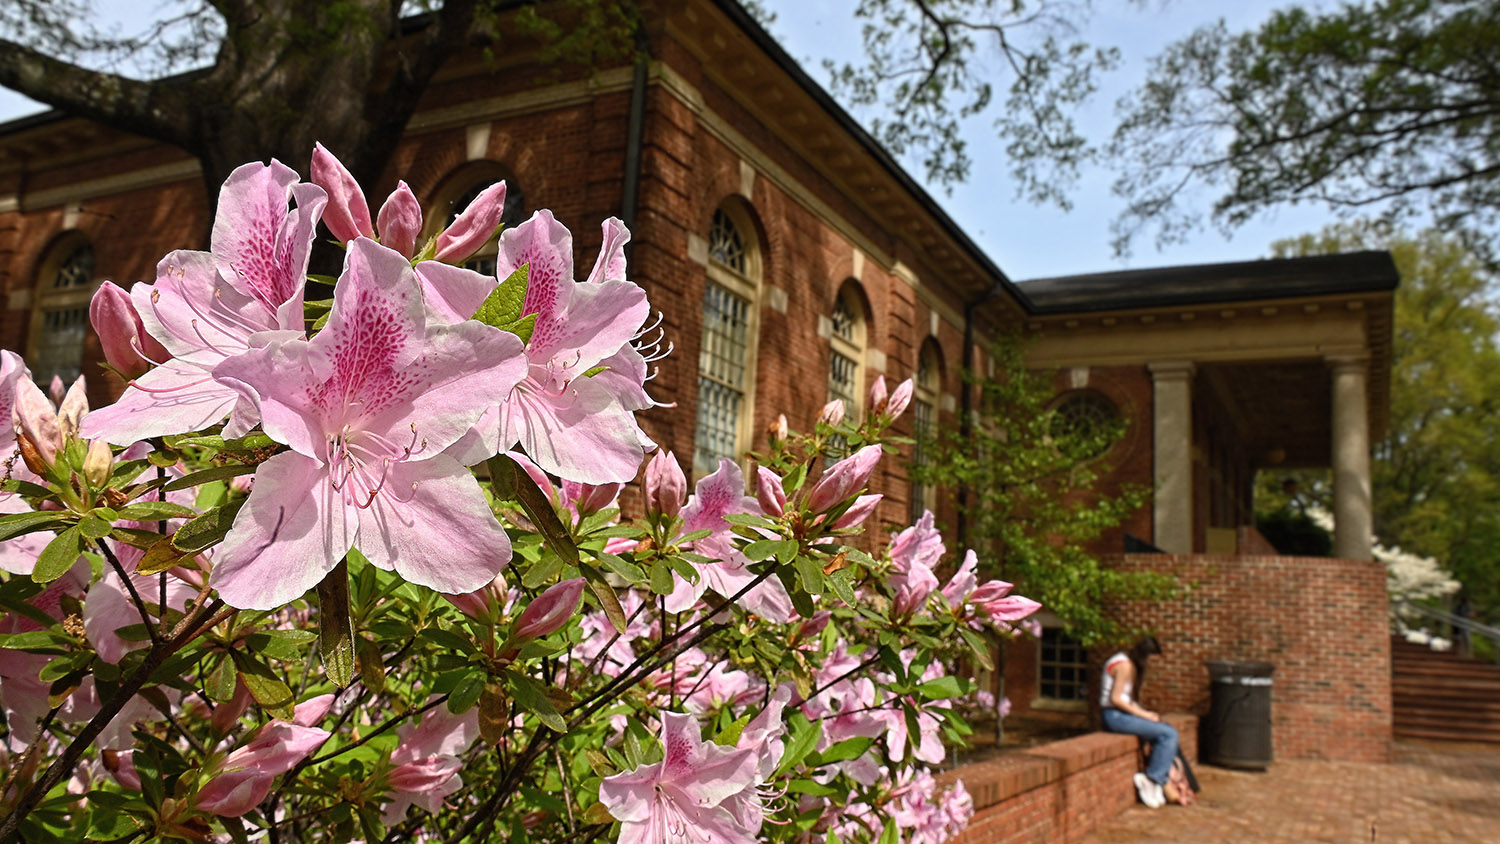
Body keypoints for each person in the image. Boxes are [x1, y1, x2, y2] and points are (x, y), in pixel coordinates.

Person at [1100, 636, 1179, 809]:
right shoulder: (1124, 665)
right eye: (1151, 659)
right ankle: (1152, 778)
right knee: (1169, 734)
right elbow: (1116, 699)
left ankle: (1158, 780)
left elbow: (1129, 699)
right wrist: (1143, 715)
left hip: (1120, 714)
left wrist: (1147, 715)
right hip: (1114, 716)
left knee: (1165, 730)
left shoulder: (1129, 663)